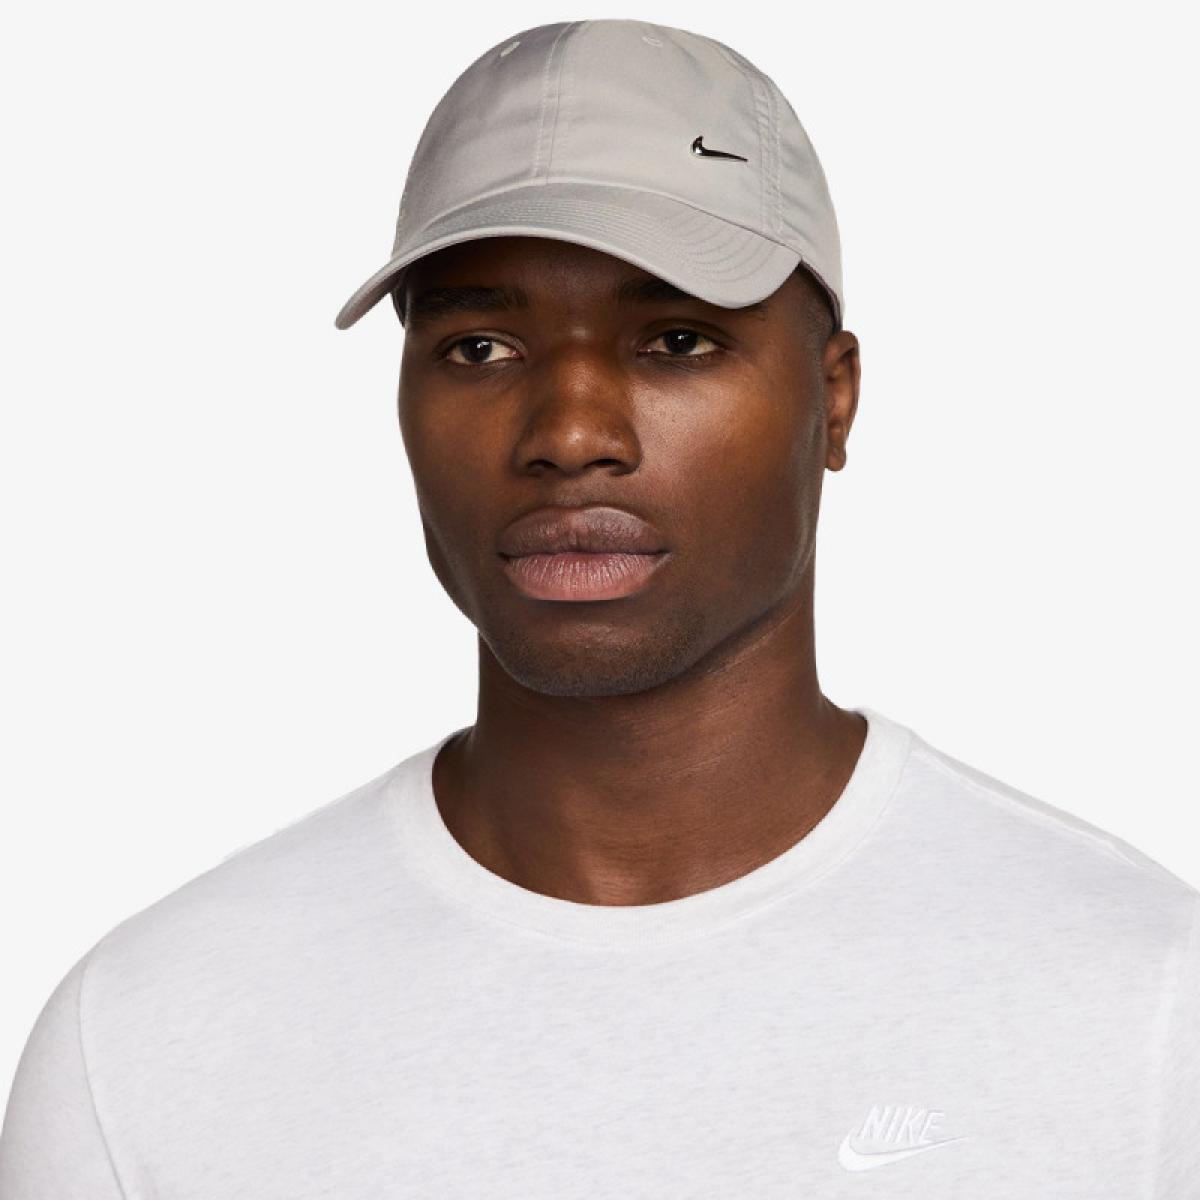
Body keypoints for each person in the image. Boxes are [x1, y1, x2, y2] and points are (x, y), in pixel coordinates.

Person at [1, 18, 1196, 1198]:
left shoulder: (1146, 1009)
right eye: (480, 348)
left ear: (833, 400)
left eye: (675, 339)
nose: (571, 434)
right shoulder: (146, 1045)